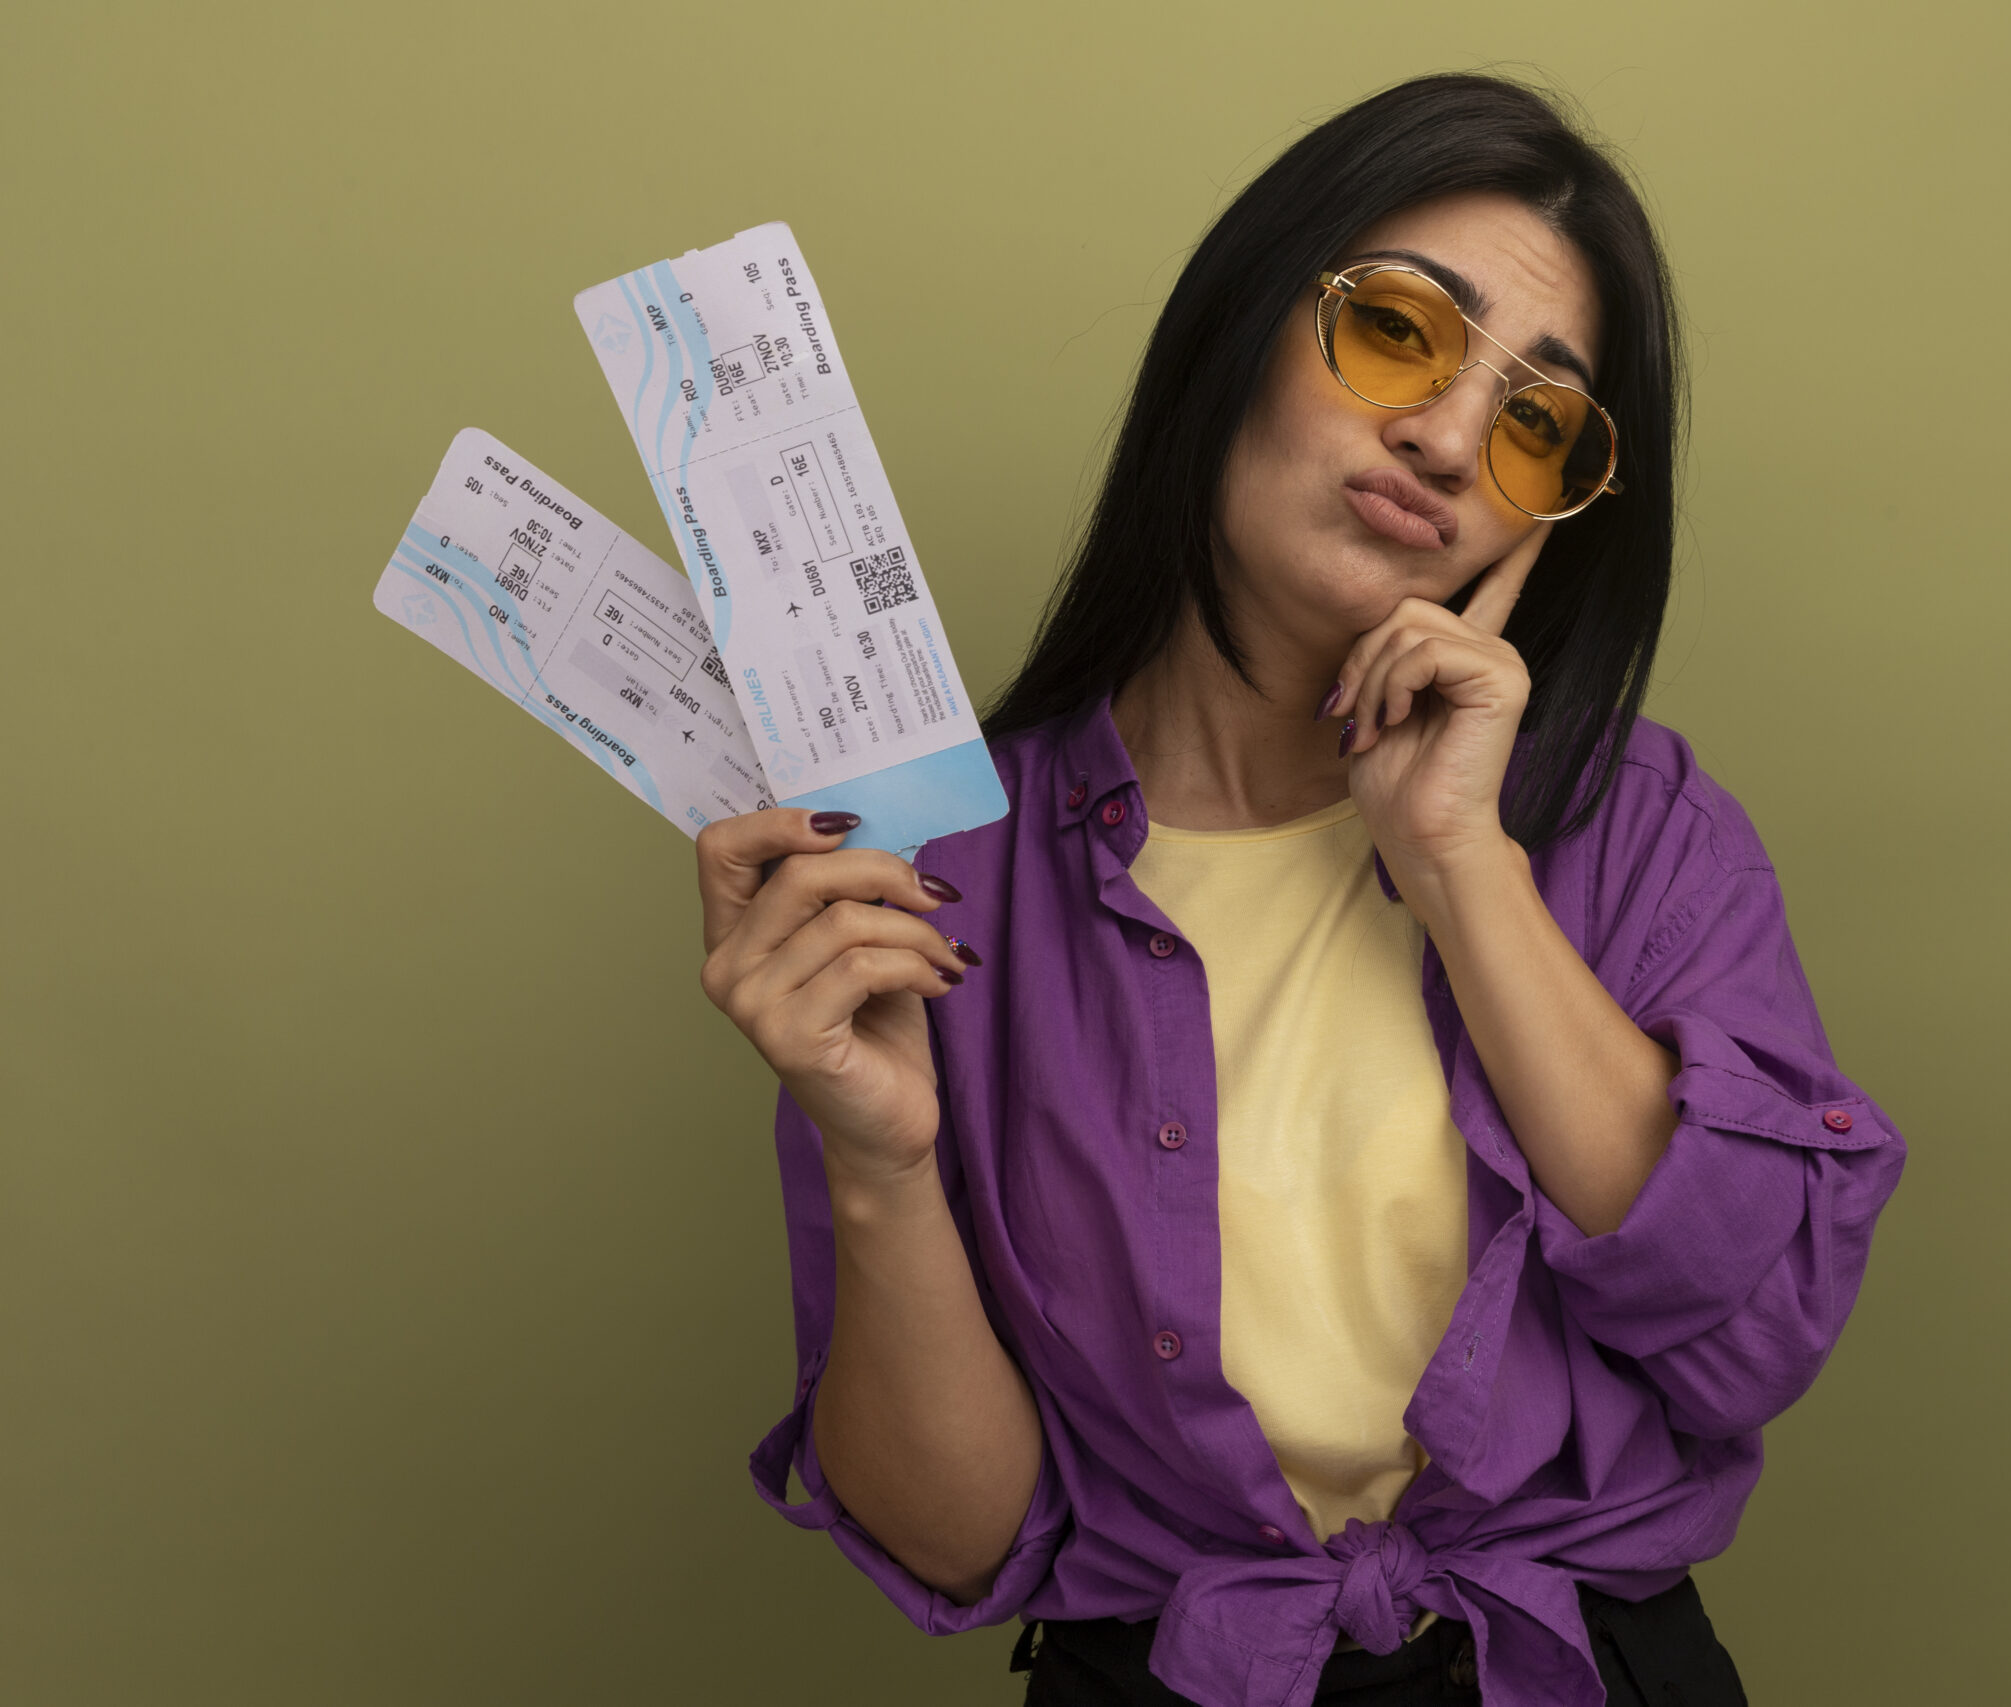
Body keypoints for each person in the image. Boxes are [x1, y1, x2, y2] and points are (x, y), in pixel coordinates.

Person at [691, 73, 1905, 1707]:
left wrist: (1467, 866)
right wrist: (880, 1159)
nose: (1453, 439)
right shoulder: (928, 872)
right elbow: (959, 1544)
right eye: (1399, 332)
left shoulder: (1638, 835)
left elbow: (1746, 1324)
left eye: (1539, 423)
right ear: (1239, 330)